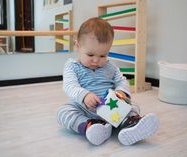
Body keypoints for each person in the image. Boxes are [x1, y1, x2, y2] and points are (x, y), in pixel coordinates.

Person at [57, 17, 159, 146]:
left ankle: (131, 124)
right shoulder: (72, 66)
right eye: (90, 55)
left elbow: (121, 81)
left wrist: (121, 93)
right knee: (63, 112)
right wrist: (84, 95)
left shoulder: (111, 67)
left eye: (102, 55)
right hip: (83, 108)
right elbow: (69, 86)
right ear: (78, 46)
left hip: (112, 108)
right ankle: (90, 125)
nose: (96, 60)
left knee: (132, 106)